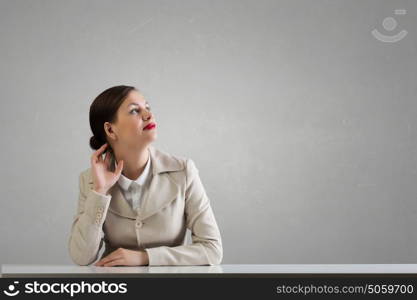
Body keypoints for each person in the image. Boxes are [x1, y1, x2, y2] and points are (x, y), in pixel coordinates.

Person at [68, 85, 223, 266]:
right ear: (110, 130)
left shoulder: (183, 171)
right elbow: (81, 257)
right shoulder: (90, 181)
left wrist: (145, 257)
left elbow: (212, 250)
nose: (148, 115)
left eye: (147, 107)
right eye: (135, 110)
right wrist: (100, 192)